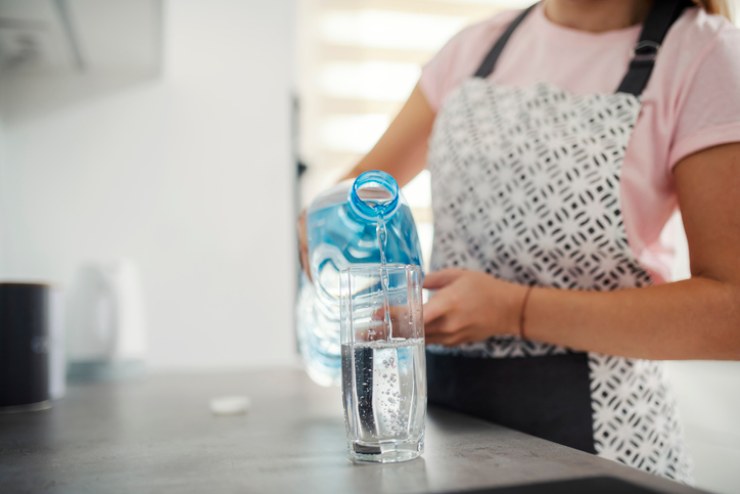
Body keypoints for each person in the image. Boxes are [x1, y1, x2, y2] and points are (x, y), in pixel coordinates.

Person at [298, 0, 740, 481]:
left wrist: (514, 310)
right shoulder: (476, 48)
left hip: (603, 445)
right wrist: (325, 222)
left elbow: (731, 312)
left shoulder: (703, 55)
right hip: (451, 435)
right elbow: (361, 189)